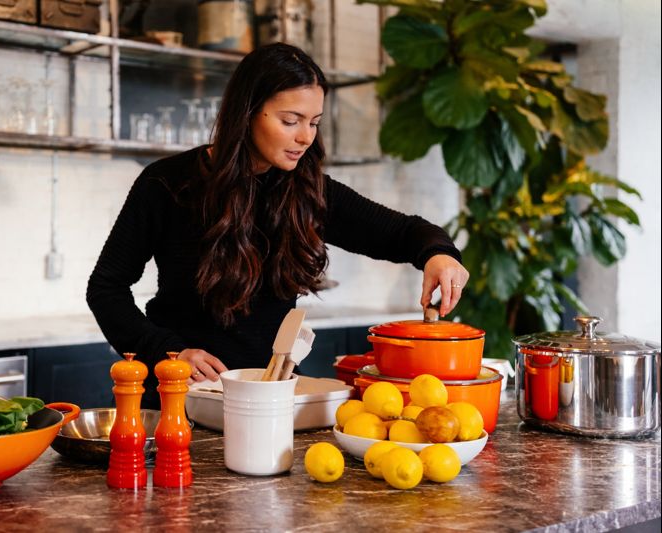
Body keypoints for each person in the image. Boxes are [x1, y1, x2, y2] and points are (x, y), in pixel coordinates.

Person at [87, 43, 469, 409]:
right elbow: (106, 288)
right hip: (181, 398)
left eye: (313, 123)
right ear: (248, 111)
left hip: (272, 399)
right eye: (291, 121)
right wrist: (167, 352)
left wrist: (439, 255)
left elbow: (404, 233)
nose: (305, 137)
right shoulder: (167, 184)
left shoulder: (308, 191)